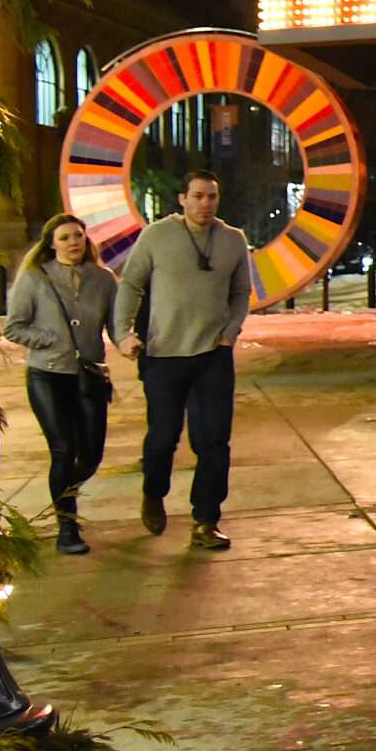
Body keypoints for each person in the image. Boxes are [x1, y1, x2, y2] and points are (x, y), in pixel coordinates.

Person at [114, 170, 251, 552]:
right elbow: (130, 284)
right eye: (198, 196)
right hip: (163, 355)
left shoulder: (232, 240)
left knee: (214, 441)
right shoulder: (157, 236)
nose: (205, 203)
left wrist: (230, 333)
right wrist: (124, 334)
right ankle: (153, 492)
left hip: (213, 355)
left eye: (212, 197)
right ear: (182, 199)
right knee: (163, 437)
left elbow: (241, 293)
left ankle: (206, 520)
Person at [6, 213, 120, 555]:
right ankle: (67, 526)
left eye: (78, 236)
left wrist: (134, 342)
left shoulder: (103, 280)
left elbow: (115, 326)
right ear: (51, 243)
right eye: (65, 237)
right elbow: (13, 327)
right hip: (48, 375)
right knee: (63, 449)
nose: (73, 243)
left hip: (89, 376)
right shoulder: (36, 278)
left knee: (91, 455)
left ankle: (61, 495)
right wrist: (49, 339)